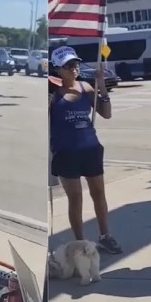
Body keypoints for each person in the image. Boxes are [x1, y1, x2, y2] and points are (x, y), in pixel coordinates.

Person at [49, 46, 121, 254]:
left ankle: (105, 236)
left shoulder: (86, 89)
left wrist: (102, 88)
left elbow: (106, 114)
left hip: (90, 148)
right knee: (76, 197)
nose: (74, 69)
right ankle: (81, 243)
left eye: (75, 64)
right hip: (66, 152)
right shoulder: (53, 95)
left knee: (99, 192)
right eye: (68, 66)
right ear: (58, 69)